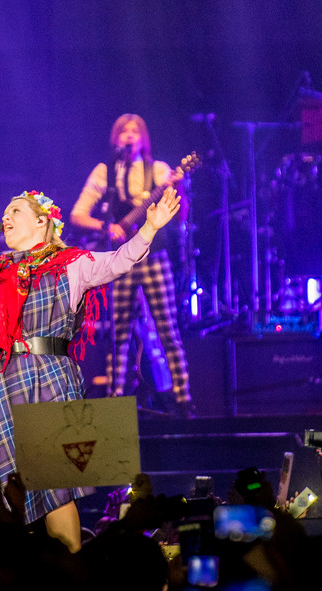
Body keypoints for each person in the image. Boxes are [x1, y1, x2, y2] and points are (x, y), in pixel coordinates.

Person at [0, 185, 182, 552]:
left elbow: (117, 261)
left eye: (15, 210)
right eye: (4, 212)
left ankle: (71, 571)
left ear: (41, 222)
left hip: (47, 379)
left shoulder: (72, 265)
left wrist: (149, 228)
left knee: (55, 489)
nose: (5, 217)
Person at [70, 114, 193, 416]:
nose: (128, 135)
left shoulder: (160, 171)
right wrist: (104, 227)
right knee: (119, 332)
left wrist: (180, 189)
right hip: (120, 258)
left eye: (134, 131)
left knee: (167, 328)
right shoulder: (104, 173)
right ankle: (116, 400)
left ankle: (183, 398)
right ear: (115, 139)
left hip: (155, 257)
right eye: (123, 131)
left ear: (143, 138)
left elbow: (181, 215)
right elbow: (77, 214)